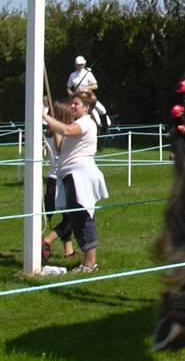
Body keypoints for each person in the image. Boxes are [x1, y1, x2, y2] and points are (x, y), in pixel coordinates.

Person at [42, 90, 109, 273]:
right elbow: (61, 143)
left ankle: (89, 264)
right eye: (72, 103)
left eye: (76, 104)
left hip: (81, 176)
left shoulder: (86, 123)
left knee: (82, 218)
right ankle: (87, 262)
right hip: (71, 175)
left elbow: (66, 130)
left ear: (86, 107)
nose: (72, 106)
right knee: (76, 218)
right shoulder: (77, 123)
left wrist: (44, 115)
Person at [42, 101, 76, 262]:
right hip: (60, 180)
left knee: (67, 215)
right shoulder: (59, 134)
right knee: (72, 218)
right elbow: (61, 149)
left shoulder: (50, 132)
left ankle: (68, 252)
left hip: (52, 179)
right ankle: (47, 241)